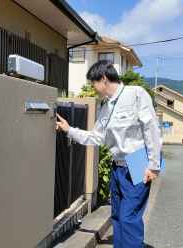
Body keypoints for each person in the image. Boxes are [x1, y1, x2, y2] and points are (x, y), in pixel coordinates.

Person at [56, 60, 162, 248]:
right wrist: (69, 129)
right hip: (117, 165)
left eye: (93, 83)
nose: (93, 88)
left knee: (129, 217)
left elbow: (151, 129)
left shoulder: (135, 94)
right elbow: (96, 137)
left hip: (138, 160)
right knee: (118, 214)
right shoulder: (105, 108)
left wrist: (153, 165)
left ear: (103, 79)